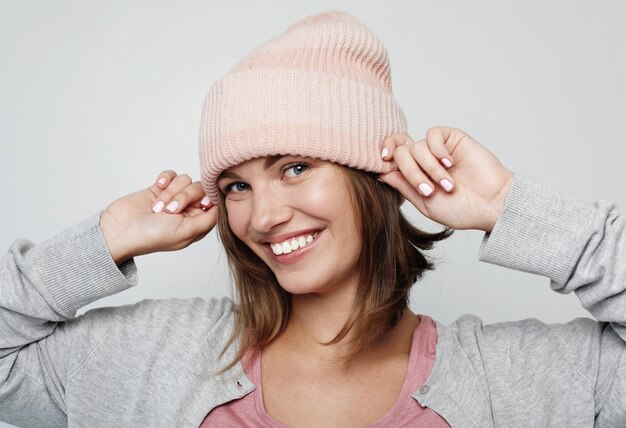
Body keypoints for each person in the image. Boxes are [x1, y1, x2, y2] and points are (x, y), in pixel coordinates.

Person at [1, 11, 624, 428]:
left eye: (296, 167)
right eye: (237, 184)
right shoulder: (154, 355)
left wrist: (505, 208)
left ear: (370, 177)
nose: (265, 215)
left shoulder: (517, 379)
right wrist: (105, 239)